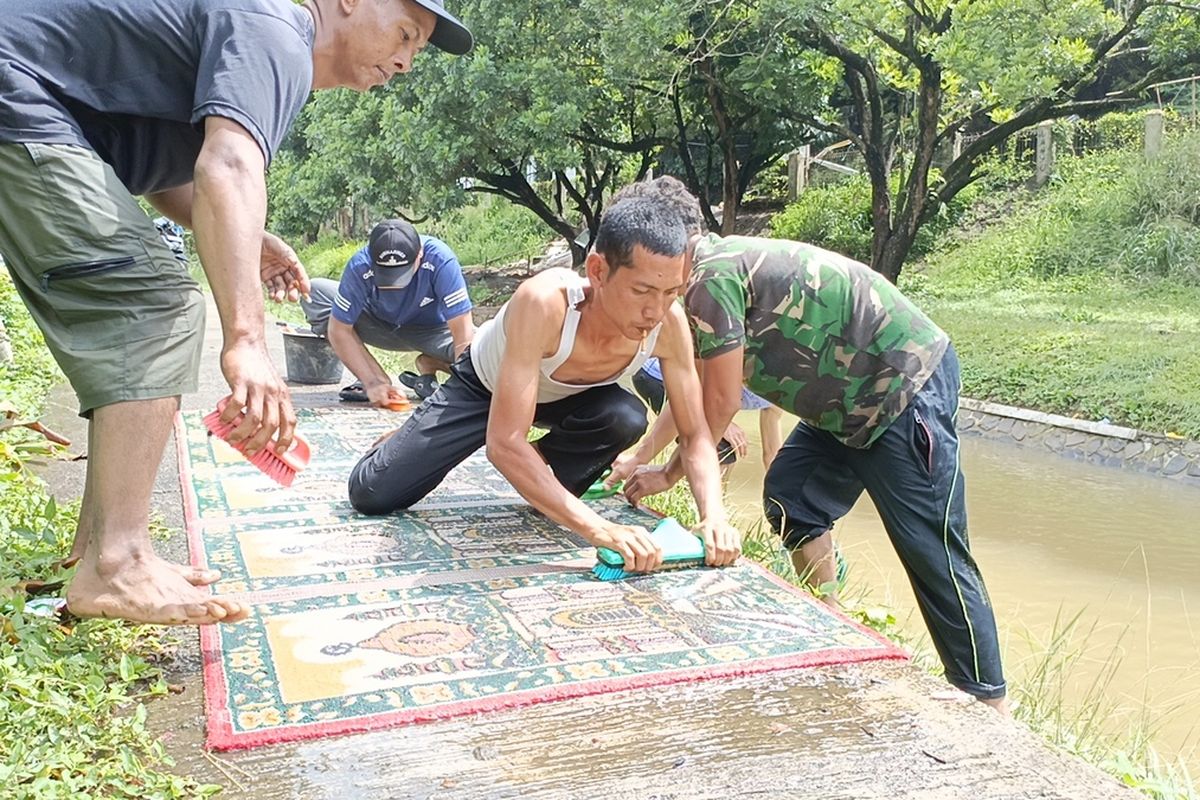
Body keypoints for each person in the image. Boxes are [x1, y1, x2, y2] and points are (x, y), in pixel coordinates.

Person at [0, 0, 473, 625]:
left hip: (36, 105)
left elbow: (162, 171)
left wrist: (252, 241)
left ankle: (101, 552)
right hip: (18, 95)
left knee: (145, 306)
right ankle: (118, 564)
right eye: (406, 34)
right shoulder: (277, 27)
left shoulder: (265, 42)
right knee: (155, 305)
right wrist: (247, 339)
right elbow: (228, 163)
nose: (408, 61)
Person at [619, 178, 1007, 712]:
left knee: (933, 551)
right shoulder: (693, 286)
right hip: (843, 404)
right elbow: (691, 390)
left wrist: (668, 474)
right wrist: (641, 456)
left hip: (901, 385)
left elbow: (721, 402)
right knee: (793, 494)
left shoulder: (710, 276)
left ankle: (987, 703)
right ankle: (831, 616)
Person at [347, 198, 741, 571]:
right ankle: (407, 437)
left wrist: (714, 518)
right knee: (373, 494)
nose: (655, 310)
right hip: (484, 386)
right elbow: (503, 445)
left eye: (670, 292)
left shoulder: (668, 324)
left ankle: (542, 477)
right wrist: (599, 529)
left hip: (572, 396)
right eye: (641, 291)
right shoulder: (544, 303)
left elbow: (694, 435)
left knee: (626, 415)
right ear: (598, 271)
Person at [301, 218, 475, 406]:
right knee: (313, 291)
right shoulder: (360, 265)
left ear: (420, 255)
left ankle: (433, 362)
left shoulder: (441, 260)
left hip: (433, 333)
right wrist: (372, 382)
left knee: (483, 348)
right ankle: (377, 376)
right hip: (379, 325)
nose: (395, 286)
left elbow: (462, 333)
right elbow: (339, 329)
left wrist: (463, 391)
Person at [622, 355, 783, 476]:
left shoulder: (783, 395)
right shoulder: (755, 363)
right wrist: (723, 421)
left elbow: (771, 454)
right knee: (718, 448)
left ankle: (717, 506)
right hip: (659, 376)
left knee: (726, 449)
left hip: (702, 390)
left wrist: (780, 497)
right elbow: (700, 378)